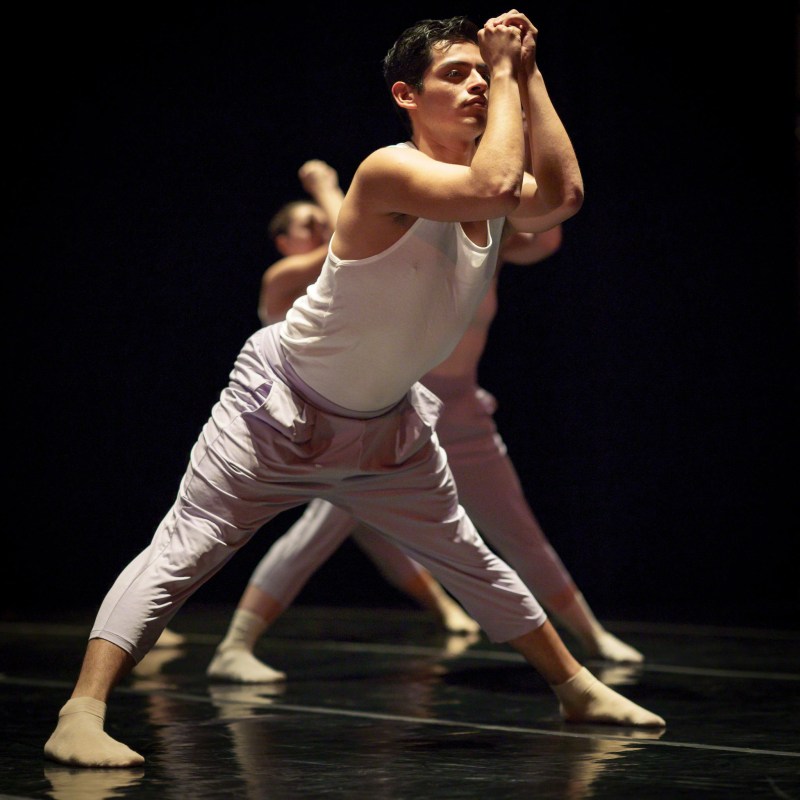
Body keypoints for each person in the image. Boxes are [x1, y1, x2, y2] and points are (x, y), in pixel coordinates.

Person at [45, 11, 666, 769]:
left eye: (482, 69)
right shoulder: (388, 170)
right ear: (406, 95)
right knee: (186, 549)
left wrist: (528, 75)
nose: (475, 82)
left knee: (472, 557)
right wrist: (505, 75)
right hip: (278, 407)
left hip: (386, 423)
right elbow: (497, 181)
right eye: (455, 73)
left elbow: (562, 196)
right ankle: (80, 714)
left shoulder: (488, 193)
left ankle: (575, 686)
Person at [207, 158, 642, 684]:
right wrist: (328, 190)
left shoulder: (476, 245)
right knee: (321, 531)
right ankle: (235, 646)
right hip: (385, 409)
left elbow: (547, 232)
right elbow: (348, 242)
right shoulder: (331, 261)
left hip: (459, 410)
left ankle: (590, 636)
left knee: (516, 528)